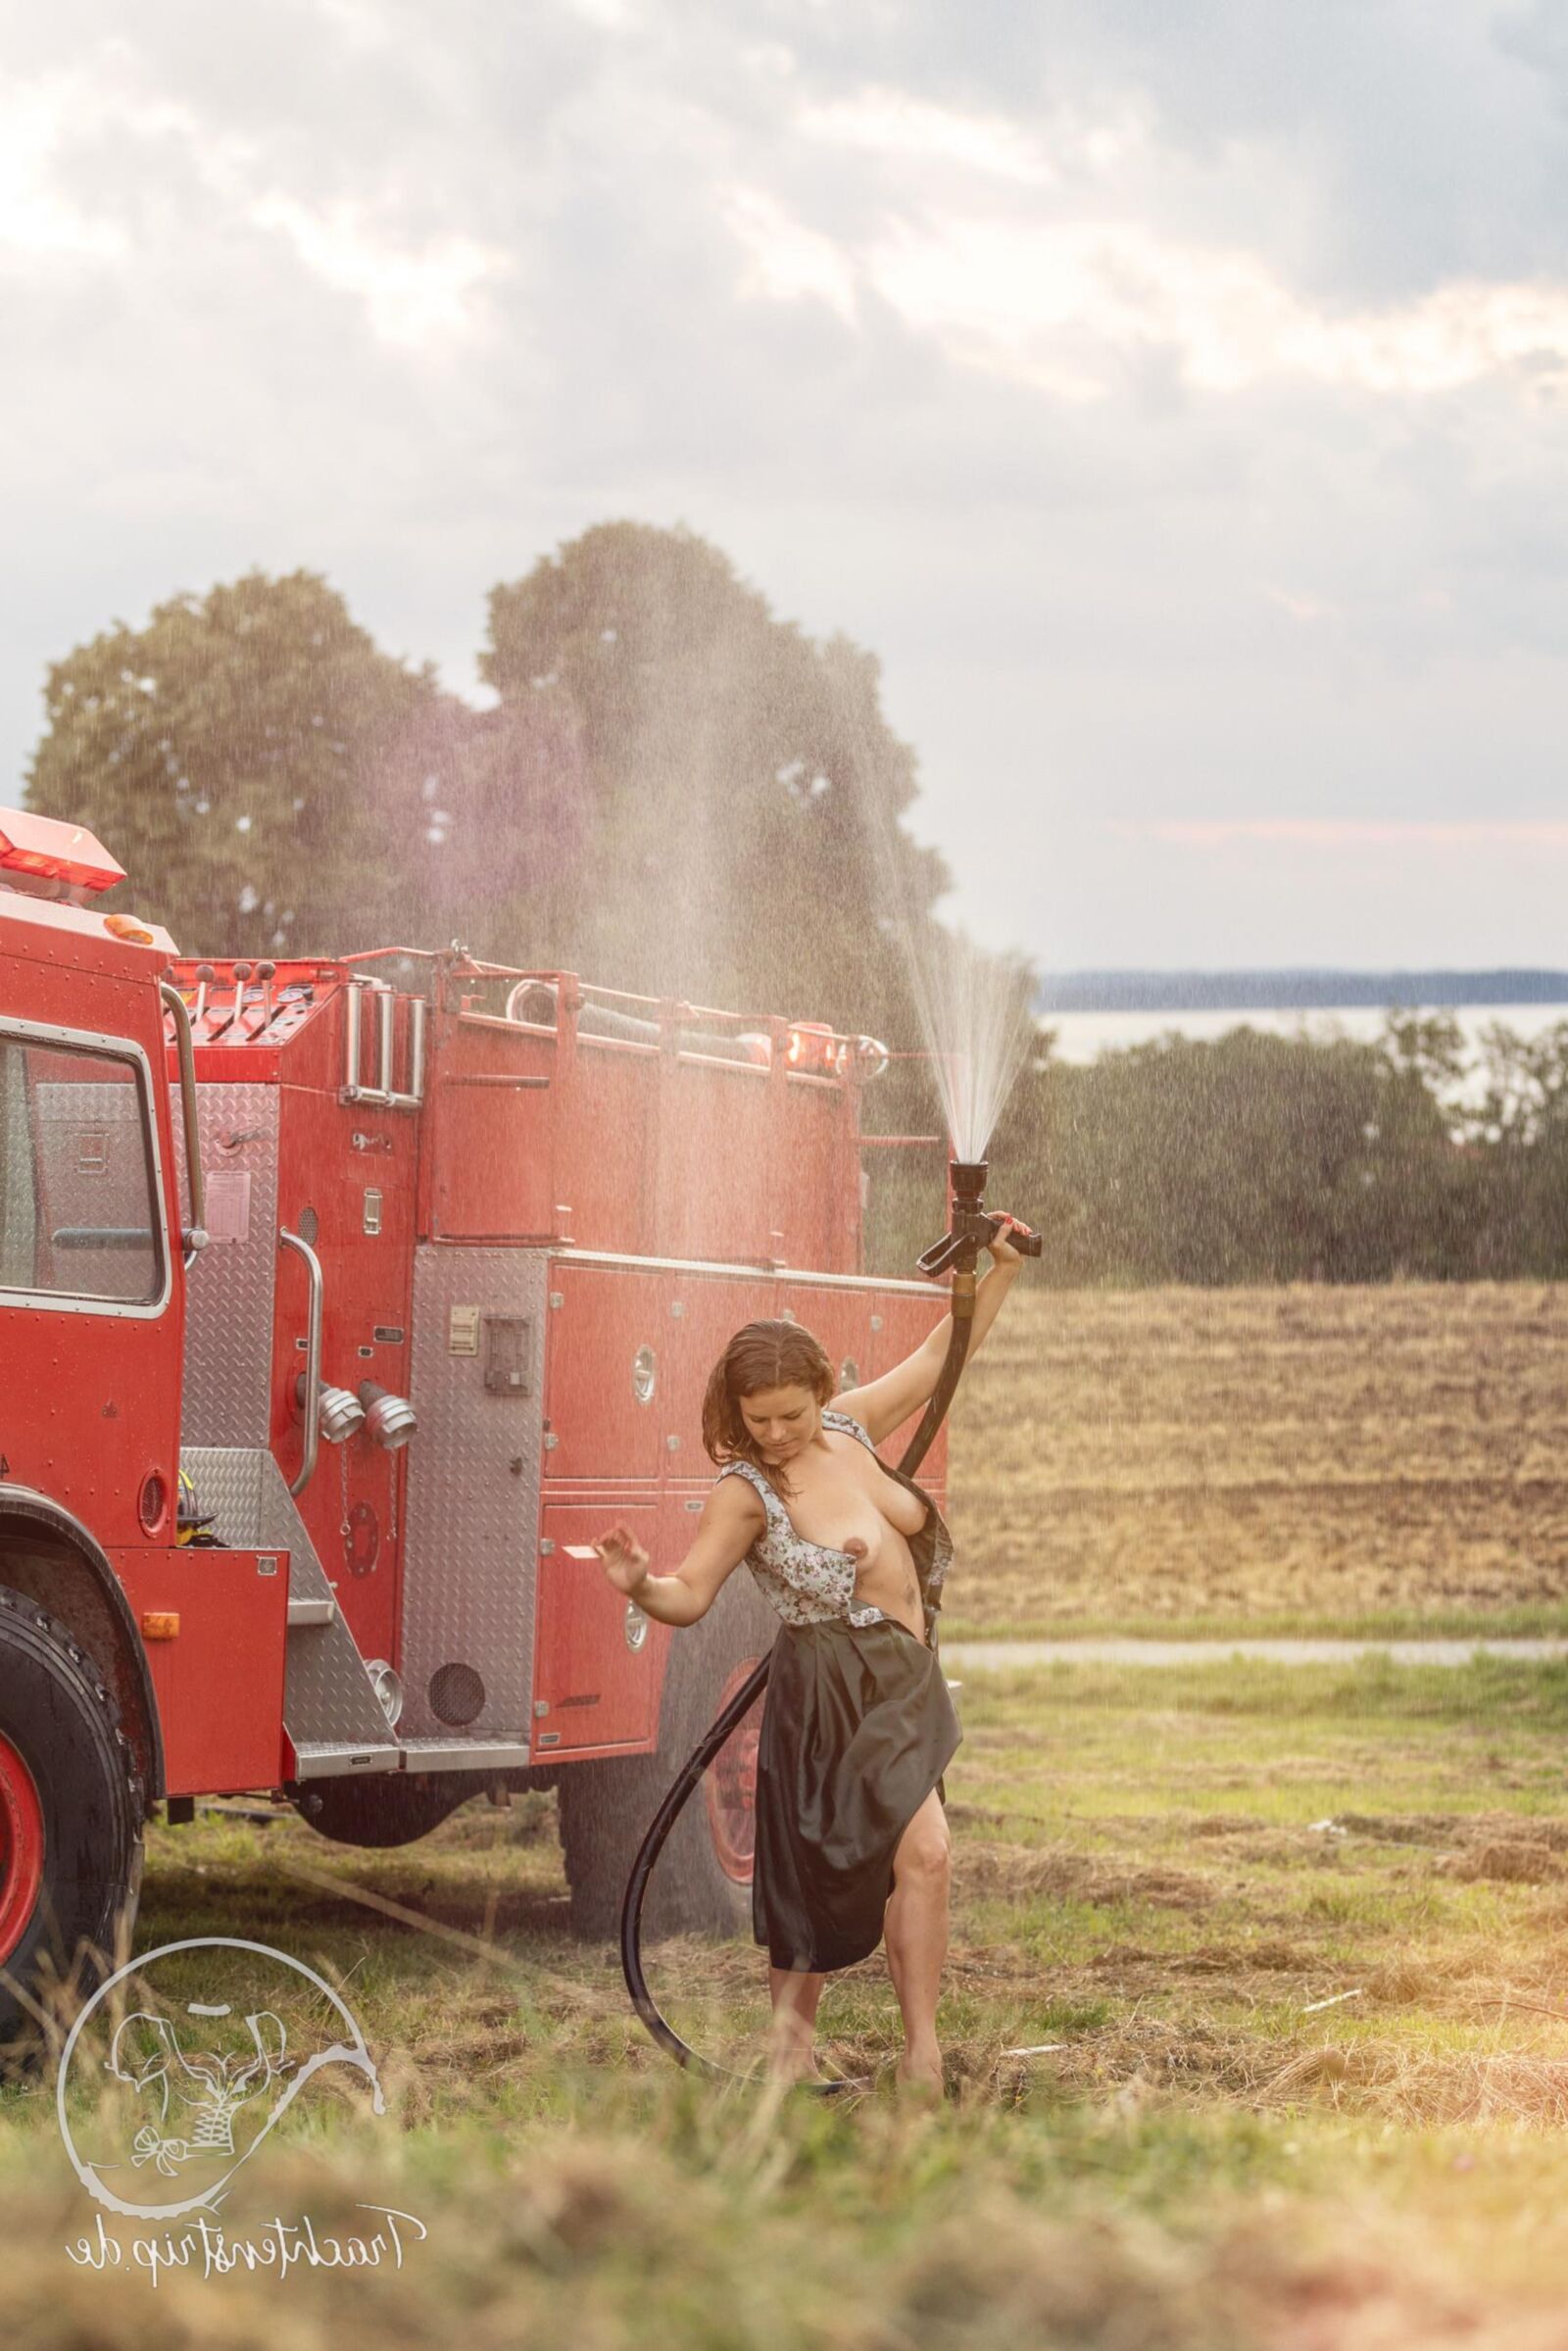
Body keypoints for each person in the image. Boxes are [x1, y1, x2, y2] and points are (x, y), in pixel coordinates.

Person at [595, 1214, 1027, 2097]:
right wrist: (642, 1582)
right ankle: (791, 2055)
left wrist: (1005, 1267)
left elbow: (946, 1355)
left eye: (791, 1414)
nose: (780, 1432)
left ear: (821, 1391)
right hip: (830, 1692)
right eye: (759, 1420)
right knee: (819, 1879)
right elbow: (688, 1596)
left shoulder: (852, 1428)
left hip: (902, 1680)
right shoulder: (744, 1490)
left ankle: (922, 2052)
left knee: (928, 1857)